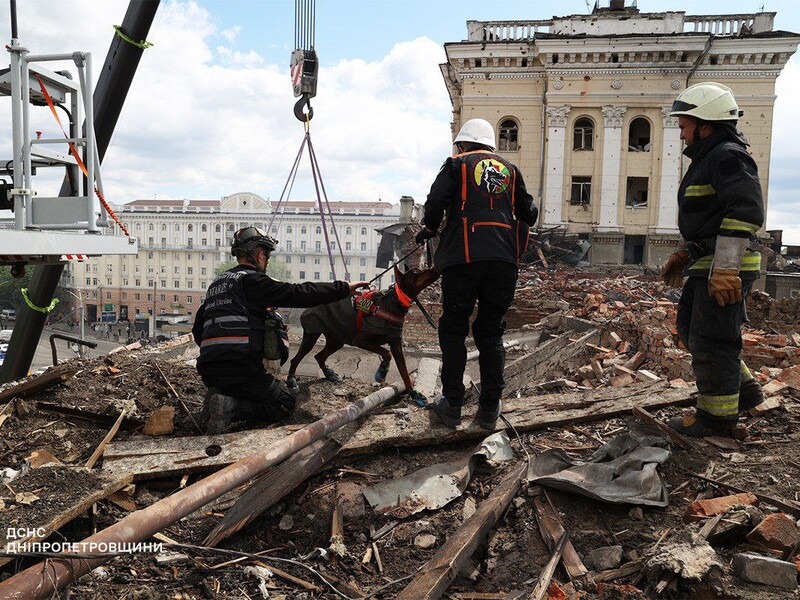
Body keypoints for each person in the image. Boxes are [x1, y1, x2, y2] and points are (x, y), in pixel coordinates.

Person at [416, 118, 538, 430]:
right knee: (491, 332)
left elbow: (434, 204)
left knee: (454, 329)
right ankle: (489, 408)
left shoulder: (456, 165)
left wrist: (429, 228)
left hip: (464, 259)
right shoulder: (511, 170)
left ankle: (453, 404)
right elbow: (529, 214)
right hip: (503, 263)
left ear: (463, 144)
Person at [192, 226, 369, 434]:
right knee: (284, 403)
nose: (266, 261)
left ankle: (218, 395)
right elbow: (297, 293)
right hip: (241, 369)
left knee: (244, 384)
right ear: (259, 255)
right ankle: (232, 407)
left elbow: (198, 330)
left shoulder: (217, 285)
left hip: (209, 370)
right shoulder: (252, 281)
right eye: (266, 256)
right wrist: (343, 289)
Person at [662, 82, 765, 438]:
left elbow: (745, 212)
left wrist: (724, 268)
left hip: (727, 268)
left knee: (714, 340)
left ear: (705, 123)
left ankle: (716, 418)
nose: (681, 131)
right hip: (708, 265)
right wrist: (686, 253)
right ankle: (746, 391)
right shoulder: (709, 158)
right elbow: (709, 218)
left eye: (684, 123)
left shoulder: (727, 155)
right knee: (693, 332)